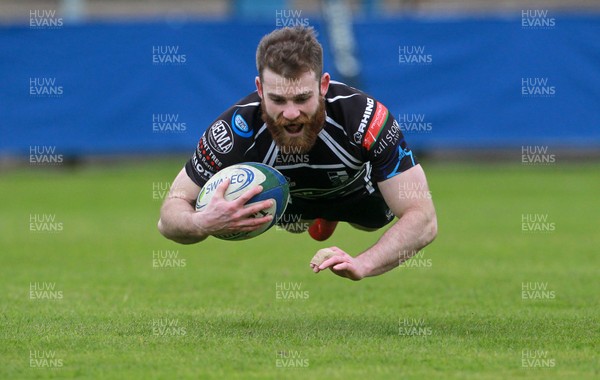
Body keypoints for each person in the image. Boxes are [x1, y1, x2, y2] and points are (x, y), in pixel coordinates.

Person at [158, 26, 437, 281]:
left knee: (372, 221)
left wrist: (363, 264)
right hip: (289, 201)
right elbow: (169, 216)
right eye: (277, 100)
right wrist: (200, 221)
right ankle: (312, 216)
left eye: (303, 98)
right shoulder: (233, 131)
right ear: (260, 89)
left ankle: (329, 215)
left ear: (323, 86)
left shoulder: (365, 118)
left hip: (358, 195)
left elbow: (423, 218)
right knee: (292, 222)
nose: (291, 114)